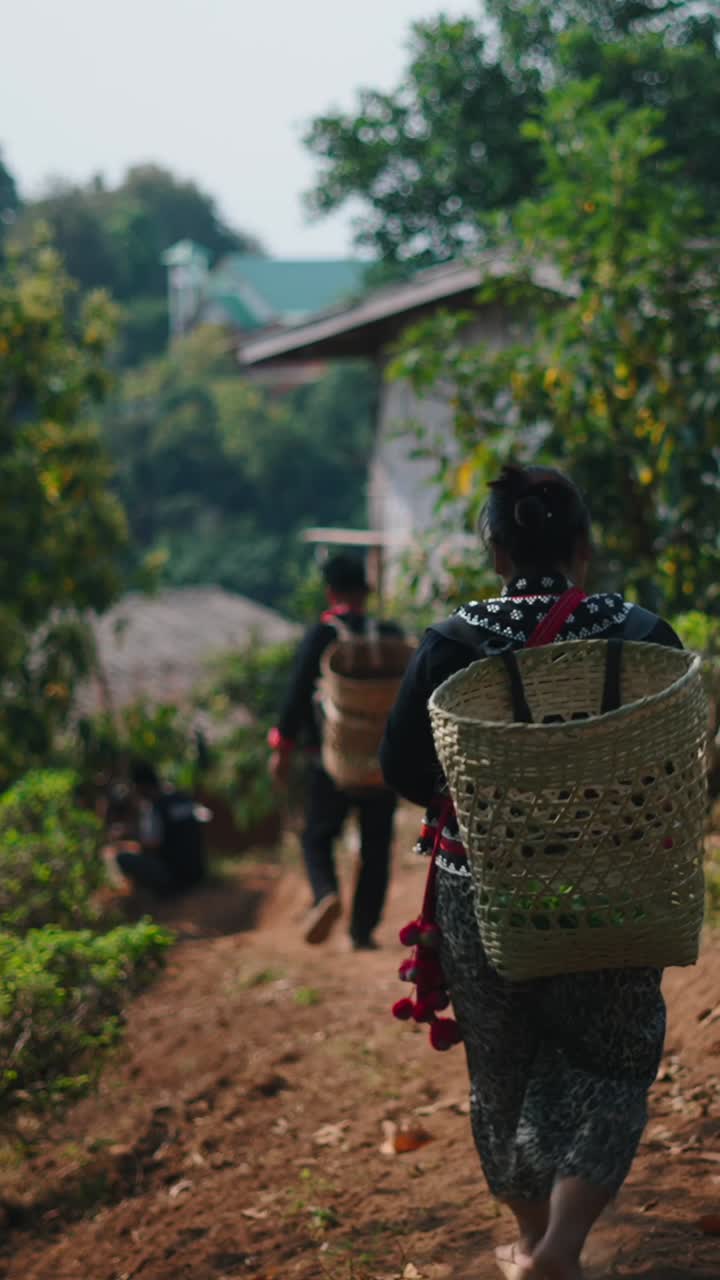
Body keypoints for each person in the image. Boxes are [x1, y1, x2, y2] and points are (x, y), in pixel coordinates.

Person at [380, 465, 682, 1280]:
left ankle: (529, 1240)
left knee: (502, 1068)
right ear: (583, 549)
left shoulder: (450, 643)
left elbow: (404, 767)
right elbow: (683, 758)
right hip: (612, 888)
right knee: (615, 1058)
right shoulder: (647, 635)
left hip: (483, 893)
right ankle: (562, 1247)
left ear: (495, 551)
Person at [269, 553, 401, 949]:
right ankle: (362, 931)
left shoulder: (322, 636)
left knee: (316, 835)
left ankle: (325, 892)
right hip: (382, 760)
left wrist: (283, 747)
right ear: (366, 591)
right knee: (376, 846)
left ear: (330, 592)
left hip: (330, 759)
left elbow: (295, 696)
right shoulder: (391, 634)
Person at [113, 761, 207, 898]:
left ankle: (155, 896)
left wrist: (129, 836)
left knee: (122, 858)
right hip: (197, 874)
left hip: (174, 877)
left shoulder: (155, 806)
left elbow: (153, 843)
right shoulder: (182, 797)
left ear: (141, 786)